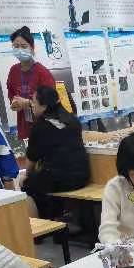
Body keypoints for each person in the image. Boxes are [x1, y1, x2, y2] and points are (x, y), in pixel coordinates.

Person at [23, 85, 90, 218]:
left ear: (44, 105)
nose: (32, 105)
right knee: (45, 180)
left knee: (27, 185)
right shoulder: (72, 120)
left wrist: (26, 177)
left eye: (34, 102)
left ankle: (47, 224)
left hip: (61, 181)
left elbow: (31, 161)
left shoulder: (40, 127)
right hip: (83, 177)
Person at [7, 26, 55, 141]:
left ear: (32, 48)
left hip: (44, 127)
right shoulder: (14, 70)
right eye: (16, 46)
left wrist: (28, 103)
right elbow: (11, 93)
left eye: (24, 46)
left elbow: (51, 103)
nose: (19, 50)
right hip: (24, 126)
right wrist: (14, 103)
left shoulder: (43, 73)